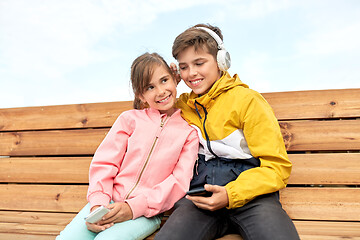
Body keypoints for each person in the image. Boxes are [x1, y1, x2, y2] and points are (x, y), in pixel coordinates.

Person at [154, 24, 300, 240]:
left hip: (253, 198)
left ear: (221, 61)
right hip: (200, 198)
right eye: (184, 67)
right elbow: (147, 118)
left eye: (199, 63)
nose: (191, 73)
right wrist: (169, 83)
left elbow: (276, 167)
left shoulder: (248, 101)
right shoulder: (182, 106)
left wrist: (232, 194)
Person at [56, 52, 199, 240]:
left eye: (164, 80)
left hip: (145, 213)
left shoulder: (188, 133)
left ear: (175, 79)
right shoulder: (129, 120)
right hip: (107, 203)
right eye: (150, 87)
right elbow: (105, 163)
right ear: (141, 95)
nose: (161, 91)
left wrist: (133, 208)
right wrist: (98, 205)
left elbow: (178, 182)